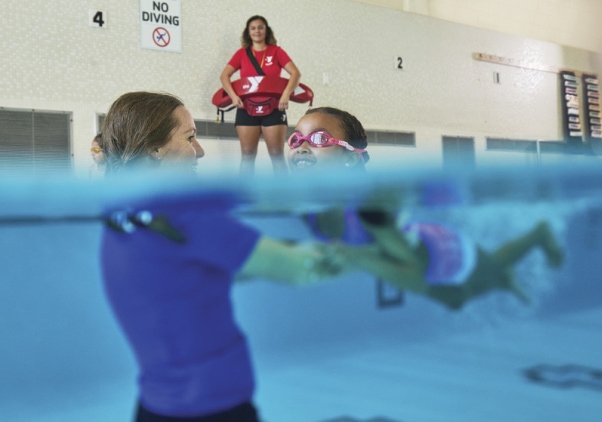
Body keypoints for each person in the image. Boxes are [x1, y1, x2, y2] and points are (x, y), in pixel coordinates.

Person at [100, 92, 351, 422]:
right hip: (213, 405)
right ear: (154, 150)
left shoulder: (121, 214)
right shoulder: (183, 215)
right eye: (190, 138)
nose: (200, 151)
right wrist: (371, 247)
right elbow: (299, 270)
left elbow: (183, 280)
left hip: (156, 404)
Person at [287, 107, 565, 310]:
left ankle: (537, 235)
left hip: (443, 251)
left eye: (319, 139)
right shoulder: (305, 208)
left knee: (479, 278)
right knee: (460, 297)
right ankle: (505, 279)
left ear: (349, 159)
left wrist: (356, 258)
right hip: (420, 253)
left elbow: (414, 276)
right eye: (296, 139)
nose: (301, 147)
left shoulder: (370, 208)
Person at [220, 15, 301, 176]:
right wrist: (234, 97)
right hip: (246, 108)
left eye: (260, 27)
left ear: (266, 30)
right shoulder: (241, 53)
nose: (257, 30)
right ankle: (245, 197)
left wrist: (285, 95)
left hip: (274, 107)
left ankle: (283, 197)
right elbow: (224, 76)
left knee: (277, 155)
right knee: (248, 155)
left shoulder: (277, 51)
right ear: (248, 32)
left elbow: (295, 73)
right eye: (253, 28)